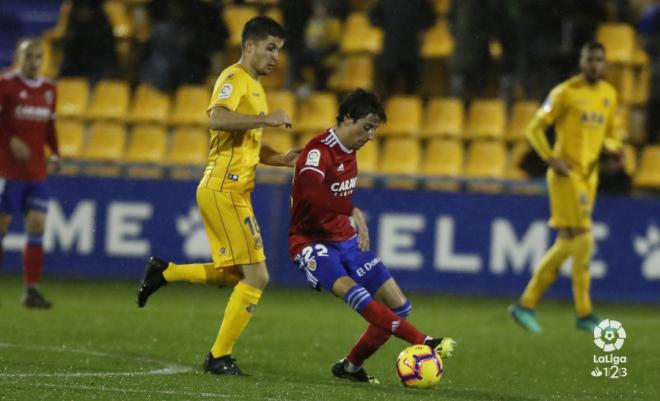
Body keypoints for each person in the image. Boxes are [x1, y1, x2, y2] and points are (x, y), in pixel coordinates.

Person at [136, 16, 297, 375]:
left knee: (235, 275)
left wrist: (281, 158)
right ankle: (218, 357)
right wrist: (267, 119)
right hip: (223, 188)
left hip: (234, 189)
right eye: (270, 48)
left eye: (279, 51)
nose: (275, 57)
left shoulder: (255, 86)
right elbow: (217, 119)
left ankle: (165, 273)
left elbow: (249, 143)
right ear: (249, 45)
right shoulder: (233, 77)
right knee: (258, 277)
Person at [288, 89, 456, 383]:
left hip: (345, 240)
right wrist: (353, 210)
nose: (370, 136)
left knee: (399, 306)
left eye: (374, 130)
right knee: (359, 296)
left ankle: (350, 366)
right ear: (348, 118)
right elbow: (312, 194)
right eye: (366, 127)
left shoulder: (351, 150)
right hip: (311, 242)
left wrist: (348, 219)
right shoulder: (318, 151)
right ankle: (425, 341)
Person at [509, 41, 623, 333]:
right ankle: (584, 313)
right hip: (565, 175)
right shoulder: (565, 93)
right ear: (581, 61)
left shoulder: (609, 95)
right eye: (590, 59)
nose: (594, 64)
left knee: (568, 242)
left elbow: (609, 134)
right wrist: (551, 159)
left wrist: (615, 150)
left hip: (589, 176)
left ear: (604, 63)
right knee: (584, 240)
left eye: (599, 59)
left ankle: (526, 304)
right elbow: (534, 128)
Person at [0, 38, 60, 308]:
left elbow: (49, 125)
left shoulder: (49, 89)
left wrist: (55, 152)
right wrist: (10, 139)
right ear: (18, 57)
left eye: (38, 57)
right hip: (7, 171)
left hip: (36, 173)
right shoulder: (6, 85)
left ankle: (31, 290)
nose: (34, 61)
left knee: (37, 224)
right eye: (28, 56)